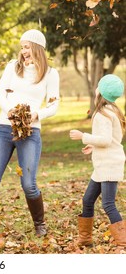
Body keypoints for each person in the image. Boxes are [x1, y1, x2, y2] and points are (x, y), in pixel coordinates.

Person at [0, 29, 60, 245]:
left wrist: (37, 114)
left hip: (30, 131)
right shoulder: (12, 66)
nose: (23, 51)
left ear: (38, 48)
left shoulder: (50, 73)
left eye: (27, 46)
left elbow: (54, 104)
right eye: (22, 47)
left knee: (28, 184)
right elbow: (0, 95)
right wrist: (11, 111)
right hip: (4, 128)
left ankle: (40, 225)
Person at [69, 74, 126, 253]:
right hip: (103, 165)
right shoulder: (112, 110)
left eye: (98, 85)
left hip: (109, 165)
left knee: (108, 204)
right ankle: (85, 239)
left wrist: (82, 136)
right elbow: (112, 140)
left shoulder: (103, 114)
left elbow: (107, 140)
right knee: (87, 200)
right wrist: (93, 146)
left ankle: (123, 243)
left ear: (100, 92)